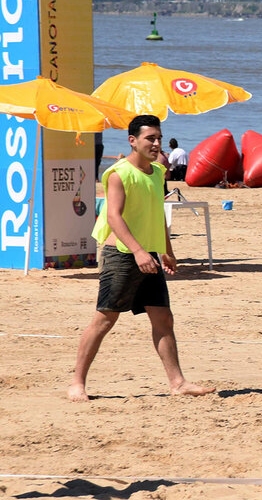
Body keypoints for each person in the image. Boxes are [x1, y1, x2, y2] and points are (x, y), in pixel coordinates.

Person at [68, 114, 215, 402]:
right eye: (151, 138)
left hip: (148, 255)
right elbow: (113, 216)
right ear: (132, 141)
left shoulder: (158, 171)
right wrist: (137, 251)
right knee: (104, 320)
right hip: (121, 254)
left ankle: (178, 382)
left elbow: (156, 212)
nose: (157, 143)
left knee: (163, 318)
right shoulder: (119, 173)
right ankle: (77, 383)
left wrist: (166, 251)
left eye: (159, 137)